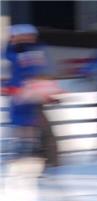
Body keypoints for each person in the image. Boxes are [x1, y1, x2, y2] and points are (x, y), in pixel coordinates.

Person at [4, 24, 48, 158]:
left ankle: (28, 147)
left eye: (14, 36)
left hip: (27, 90)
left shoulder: (28, 50)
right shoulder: (18, 50)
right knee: (21, 119)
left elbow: (34, 69)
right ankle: (25, 146)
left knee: (28, 119)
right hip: (20, 89)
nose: (13, 39)